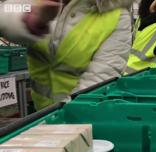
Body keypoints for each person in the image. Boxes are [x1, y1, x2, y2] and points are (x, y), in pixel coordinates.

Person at [1, 0, 135, 111]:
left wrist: (63, 117)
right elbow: (5, 15)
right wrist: (29, 19)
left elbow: (101, 77)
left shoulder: (116, 16)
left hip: (77, 115)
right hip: (39, 111)